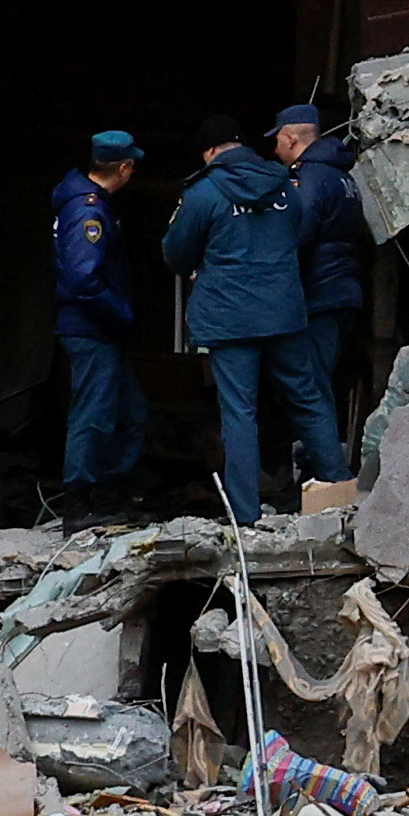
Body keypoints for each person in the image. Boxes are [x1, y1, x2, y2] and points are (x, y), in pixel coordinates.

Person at [161, 121, 350, 522]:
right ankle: (340, 492)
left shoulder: (203, 192)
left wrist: (206, 264)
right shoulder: (283, 185)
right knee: (309, 399)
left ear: (209, 152)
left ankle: (245, 515)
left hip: (230, 318)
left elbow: (176, 253)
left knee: (239, 412)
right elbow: (296, 232)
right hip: (283, 312)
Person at [46, 130, 147, 520]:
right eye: (132, 167)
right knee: (93, 417)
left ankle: (109, 497)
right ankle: (79, 505)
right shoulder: (88, 212)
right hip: (92, 329)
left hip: (101, 329)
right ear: (123, 168)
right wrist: (121, 313)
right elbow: (83, 278)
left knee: (129, 414)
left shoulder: (91, 205)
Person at [273, 102, 367, 490]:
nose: (275, 149)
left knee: (309, 390)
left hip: (318, 294)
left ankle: (334, 479)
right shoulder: (344, 178)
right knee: (321, 384)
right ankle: (315, 471)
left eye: (277, 140)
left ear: (290, 138)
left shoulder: (309, 179)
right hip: (344, 292)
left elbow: (298, 234)